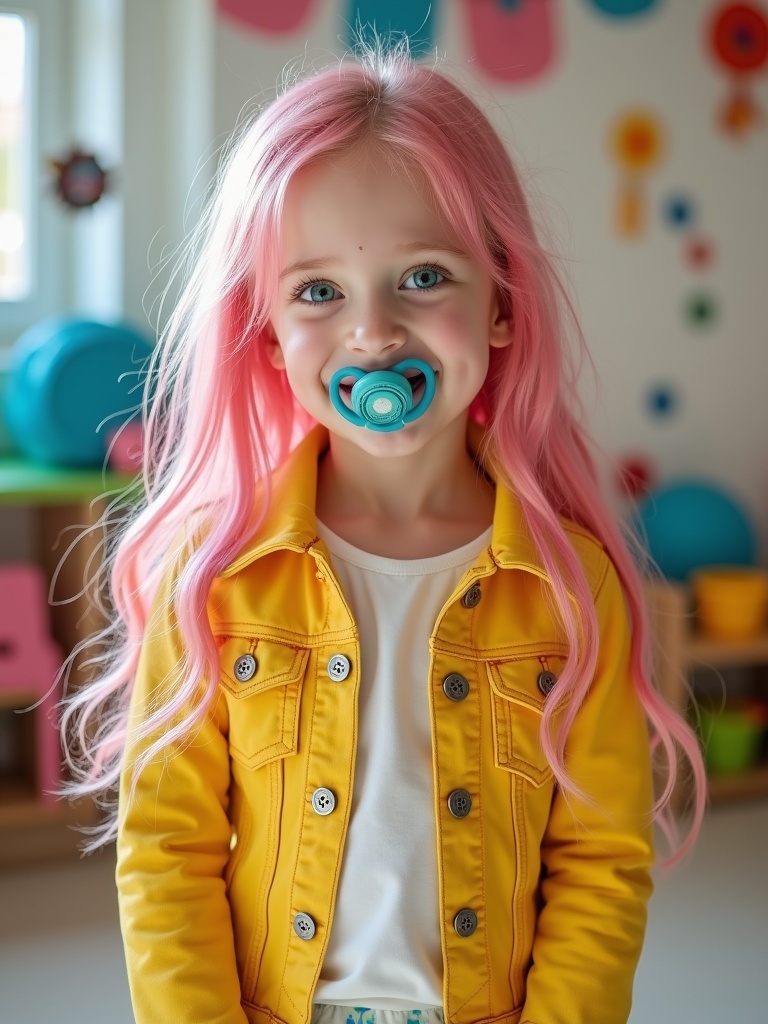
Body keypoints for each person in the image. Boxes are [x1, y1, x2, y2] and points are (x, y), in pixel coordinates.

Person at [61, 43, 706, 1024]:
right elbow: (166, 854)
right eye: (319, 291)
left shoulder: (575, 587)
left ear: (501, 304)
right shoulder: (215, 577)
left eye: (424, 276)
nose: (373, 333)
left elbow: (602, 864)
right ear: (269, 332)